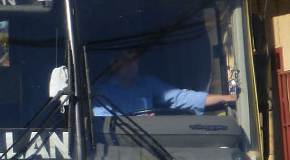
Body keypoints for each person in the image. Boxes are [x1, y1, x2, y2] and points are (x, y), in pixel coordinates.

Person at [92, 49, 236, 116]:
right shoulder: (101, 93)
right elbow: (104, 125)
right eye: (125, 60)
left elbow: (179, 97)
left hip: (154, 146)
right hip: (117, 153)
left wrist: (224, 98)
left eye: (134, 59)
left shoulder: (148, 84)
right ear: (112, 63)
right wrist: (139, 123)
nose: (132, 65)